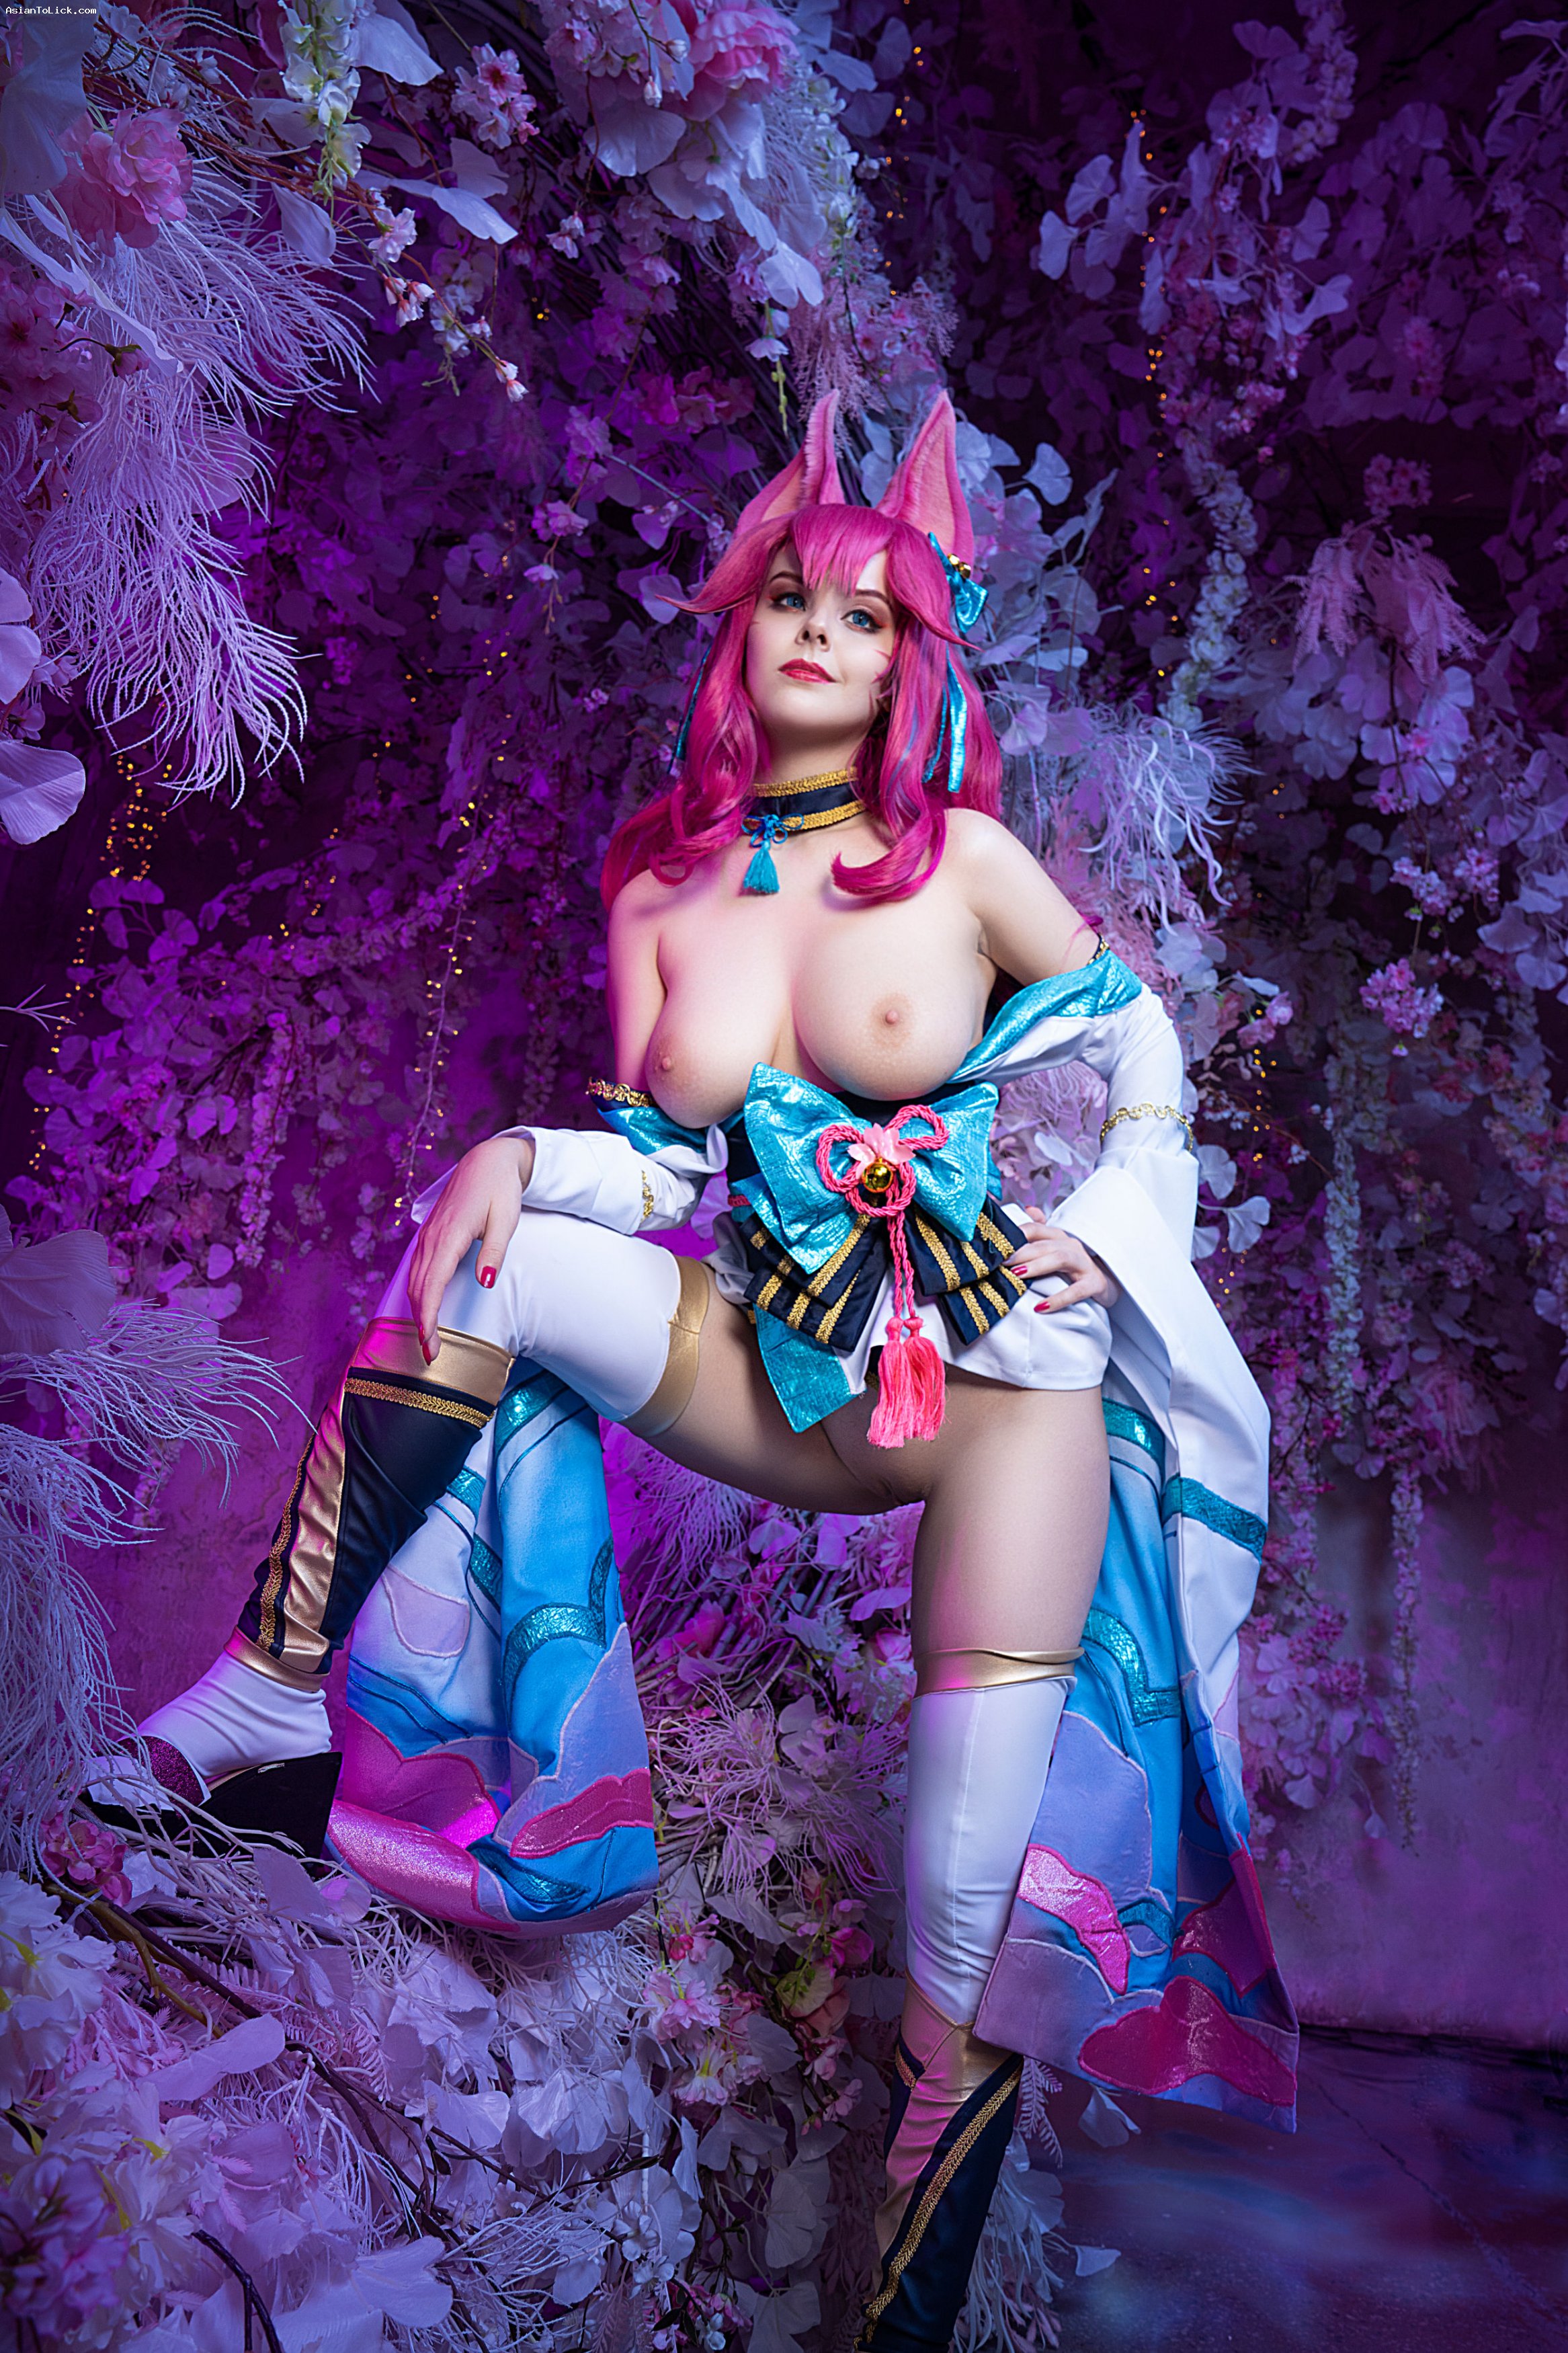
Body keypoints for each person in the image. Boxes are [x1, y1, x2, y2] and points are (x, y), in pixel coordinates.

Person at [136, 395, 1296, 2347]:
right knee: (489, 1245)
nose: (819, 637)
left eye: (863, 615)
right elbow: (664, 1164)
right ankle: (268, 1691)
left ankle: (900, 2326)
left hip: (991, 1401)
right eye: (789, 604)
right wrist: (524, 1152)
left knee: (954, 1938)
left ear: (908, 661)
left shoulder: (965, 865)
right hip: (767, 1368)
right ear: (741, 633)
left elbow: (1149, 1057)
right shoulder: (659, 890)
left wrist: (1112, 1222)